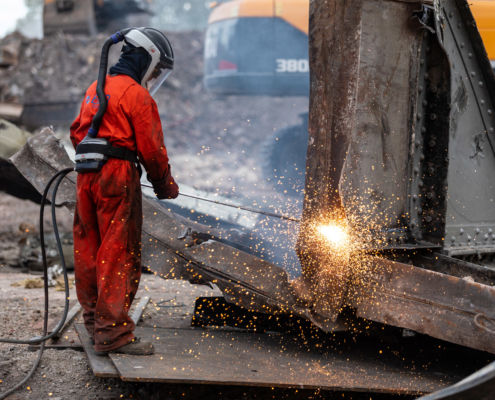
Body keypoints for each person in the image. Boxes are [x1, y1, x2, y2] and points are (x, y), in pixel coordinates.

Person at [69, 28, 179, 355]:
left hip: (86, 176)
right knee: (118, 252)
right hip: (117, 177)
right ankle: (113, 335)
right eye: (155, 70)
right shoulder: (137, 95)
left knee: (88, 249)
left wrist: (96, 157)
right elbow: (153, 150)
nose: (154, 77)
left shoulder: (94, 89)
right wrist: (164, 185)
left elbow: (78, 133)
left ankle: (94, 325)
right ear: (148, 59)